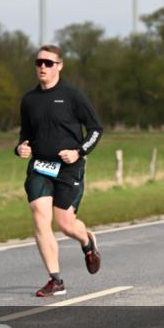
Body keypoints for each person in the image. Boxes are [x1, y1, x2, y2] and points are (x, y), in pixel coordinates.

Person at [15, 45, 103, 297]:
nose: (43, 67)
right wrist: (21, 147)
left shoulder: (72, 95)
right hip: (40, 167)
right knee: (39, 214)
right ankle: (55, 279)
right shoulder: (29, 100)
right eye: (39, 62)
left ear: (59, 66)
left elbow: (96, 129)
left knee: (65, 224)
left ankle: (87, 242)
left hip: (68, 169)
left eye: (49, 63)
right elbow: (25, 135)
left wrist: (79, 152)